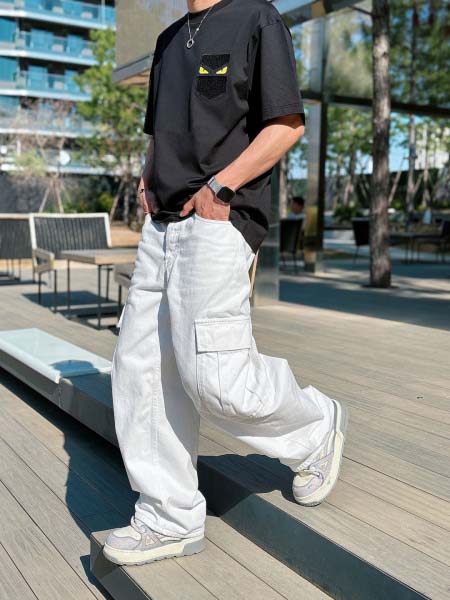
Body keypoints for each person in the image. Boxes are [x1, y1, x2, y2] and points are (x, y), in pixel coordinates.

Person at [104, 0, 348, 567]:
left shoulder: (258, 19)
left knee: (215, 378)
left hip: (218, 220)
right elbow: (161, 132)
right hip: (160, 226)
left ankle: (315, 426)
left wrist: (221, 187)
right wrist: (147, 175)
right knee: (141, 373)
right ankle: (168, 515)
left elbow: (285, 125)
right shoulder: (168, 41)